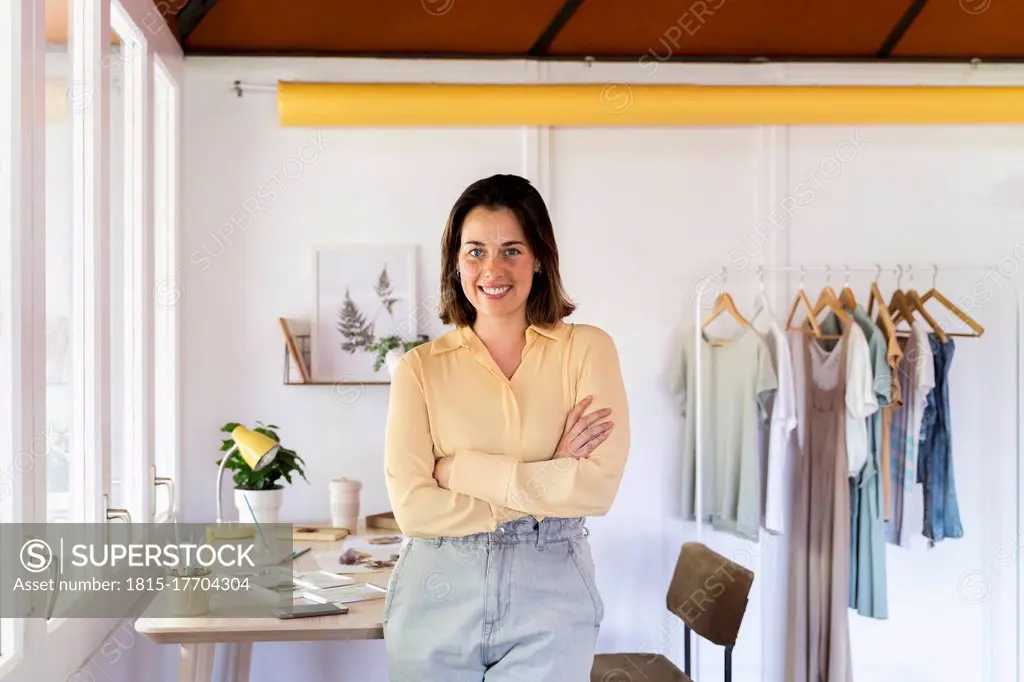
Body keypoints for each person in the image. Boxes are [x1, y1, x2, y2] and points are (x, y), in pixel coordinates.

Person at [382, 173, 630, 681]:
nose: (492, 268)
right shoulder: (419, 369)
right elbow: (411, 508)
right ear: (455, 261)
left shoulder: (587, 349)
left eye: (511, 249)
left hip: (551, 590)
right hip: (437, 589)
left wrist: (457, 471)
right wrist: (546, 475)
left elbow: (595, 488)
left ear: (539, 257)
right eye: (475, 251)